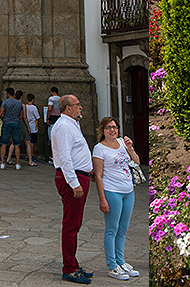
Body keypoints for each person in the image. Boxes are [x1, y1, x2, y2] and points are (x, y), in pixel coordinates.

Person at [51, 94, 94, 284]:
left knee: (75, 224)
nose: (81, 107)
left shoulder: (72, 124)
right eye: (77, 105)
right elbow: (66, 157)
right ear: (68, 108)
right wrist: (74, 182)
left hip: (80, 175)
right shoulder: (64, 126)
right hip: (72, 178)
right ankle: (69, 268)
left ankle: (73, 264)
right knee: (71, 225)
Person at [93, 117, 140, 280]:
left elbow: (136, 162)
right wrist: (102, 198)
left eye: (114, 127)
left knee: (123, 229)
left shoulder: (122, 142)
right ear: (103, 130)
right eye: (108, 127)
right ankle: (112, 265)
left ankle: (120, 261)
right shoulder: (99, 148)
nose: (112, 130)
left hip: (128, 191)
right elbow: (98, 176)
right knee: (112, 228)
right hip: (112, 191)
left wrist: (130, 149)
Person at [0, 86, 23, 170]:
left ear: (7, 94)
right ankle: (17, 163)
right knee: (16, 144)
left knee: (4, 144)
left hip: (6, 123)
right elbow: (21, 116)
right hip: (15, 123)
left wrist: (4, 119)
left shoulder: (5, 102)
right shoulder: (19, 103)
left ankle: (2, 163)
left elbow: (0, 113)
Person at [24, 94, 41, 166]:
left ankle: (28, 155)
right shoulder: (34, 108)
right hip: (33, 127)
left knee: (28, 142)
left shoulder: (25, 107)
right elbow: (37, 117)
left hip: (27, 126)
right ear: (33, 99)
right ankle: (32, 155)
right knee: (32, 143)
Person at [46, 86, 61, 164]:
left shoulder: (51, 99)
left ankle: (53, 157)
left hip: (52, 118)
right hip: (59, 118)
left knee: (52, 139)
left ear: (52, 92)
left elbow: (49, 108)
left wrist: (47, 118)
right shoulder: (61, 99)